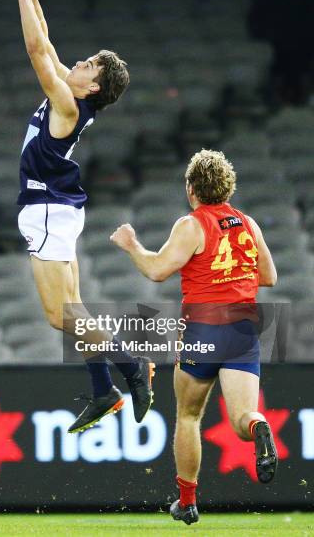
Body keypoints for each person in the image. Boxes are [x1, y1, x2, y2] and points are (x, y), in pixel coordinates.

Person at [11, 0, 155, 434]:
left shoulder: (69, 104)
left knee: (58, 317)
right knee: (75, 311)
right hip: (57, 209)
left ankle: (131, 369)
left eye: (91, 64)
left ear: (93, 88)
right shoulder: (71, 98)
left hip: (48, 210)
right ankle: (102, 390)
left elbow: (35, 50)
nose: (80, 61)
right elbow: (47, 43)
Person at [110, 149, 278, 525]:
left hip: (203, 328)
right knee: (240, 419)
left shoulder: (191, 225)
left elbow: (157, 271)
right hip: (243, 330)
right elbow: (269, 277)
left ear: (192, 188)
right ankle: (259, 427)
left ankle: (187, 502)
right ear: (227, 185)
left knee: (188, 415)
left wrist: (131, 245)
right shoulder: (249, 224)